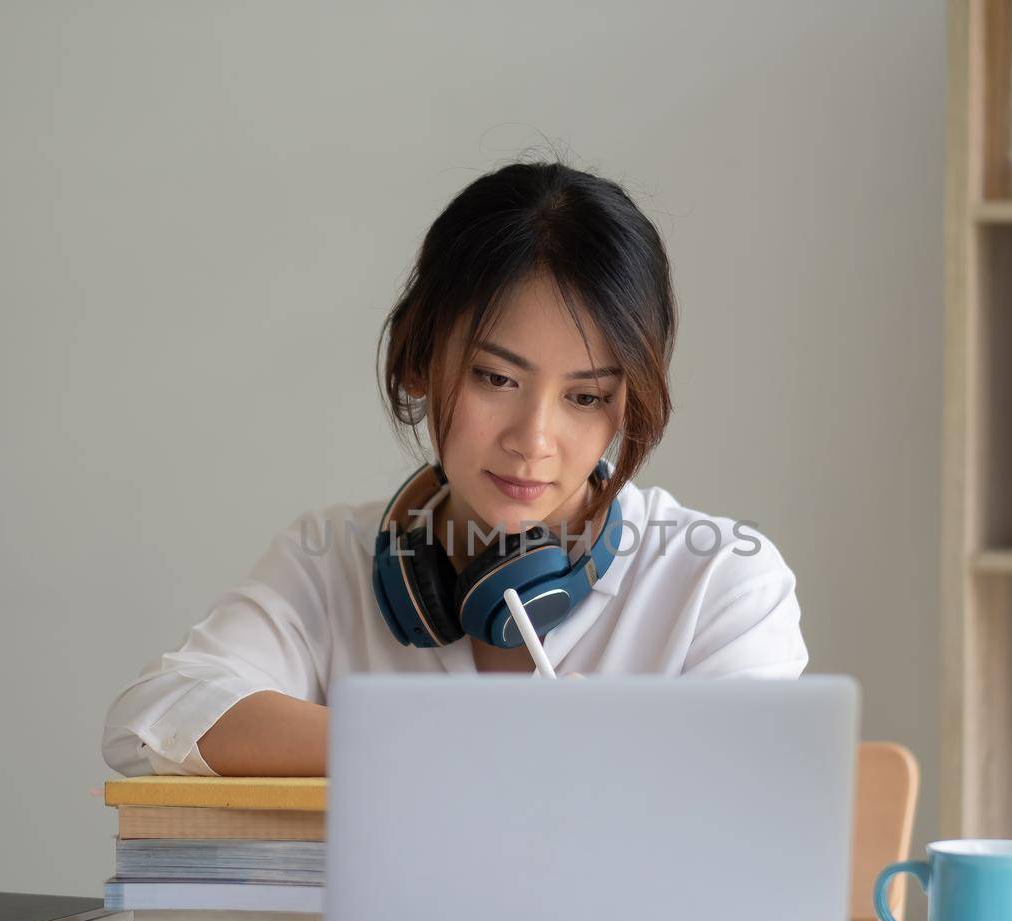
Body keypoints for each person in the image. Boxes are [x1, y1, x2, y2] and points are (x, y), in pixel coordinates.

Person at [102, 155, 809, 779]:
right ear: (418, 361)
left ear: (629, 405)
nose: (533, 439)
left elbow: (751, 825)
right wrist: (463, 741)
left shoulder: (720, 581)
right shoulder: (329, 562)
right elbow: (153, 718)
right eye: (496, 379)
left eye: (586, 396)